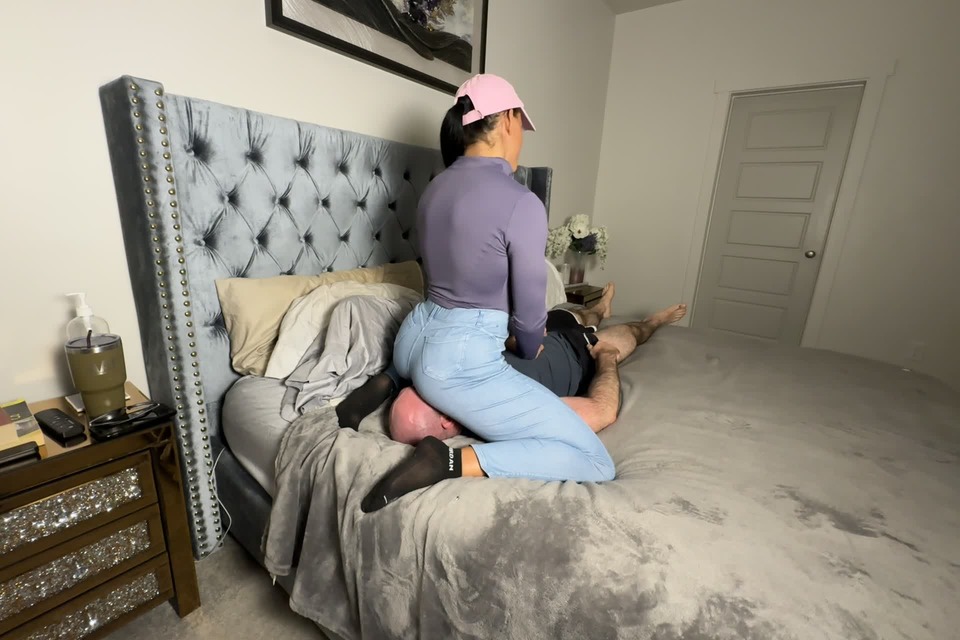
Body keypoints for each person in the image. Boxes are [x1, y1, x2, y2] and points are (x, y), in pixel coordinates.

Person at [360, 73, 636, 513]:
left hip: (412, 340)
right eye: (521, 125)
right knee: (596, 461)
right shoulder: (520, 201)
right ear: (507, 119)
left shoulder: (434, 189)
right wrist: (529, 344)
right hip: (455, 359)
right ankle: (447, 461)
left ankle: (386, 380)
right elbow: (529, 317)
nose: (521, 138)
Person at [390, 300, 688, 444]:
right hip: (581, 351)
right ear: (445, 422)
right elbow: (603, 411)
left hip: (533, 335)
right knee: (634, 332)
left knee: (584, 313)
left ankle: (600, 308)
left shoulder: (435, 366)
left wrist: (516, 337)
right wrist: (607, 358)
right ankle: (655, 321)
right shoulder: (507, 421)